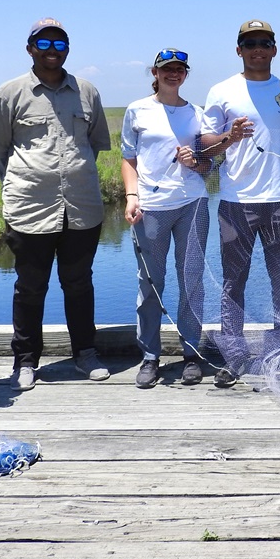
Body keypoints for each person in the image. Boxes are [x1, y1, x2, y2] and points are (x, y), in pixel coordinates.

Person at [0, 18, 112, 391]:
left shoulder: (87, 91)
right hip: (30, 209)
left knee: (79, 283)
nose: (52, 51)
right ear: (30, 48)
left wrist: (71, 176)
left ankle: (85, 354)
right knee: (29, 286)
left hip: (82, 207)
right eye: (44, 44)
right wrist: (28, 181)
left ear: (67, 50)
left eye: (60, 44)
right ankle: (25, 362)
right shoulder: (10, 93)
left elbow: (94, 146)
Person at [199, 20, 280, 387]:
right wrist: (229, 137)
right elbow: (205, 144)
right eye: (249, 43)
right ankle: (234, 357)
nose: (257, 49)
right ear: (238, 49)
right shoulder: (222, 91)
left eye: (264, 42)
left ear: (274, 49)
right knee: (234, 282)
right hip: (234, 202)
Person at [121, 48, 214, 390]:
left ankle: (191, 353)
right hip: (151, 207)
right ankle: (150, 357)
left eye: (179, 70)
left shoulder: (197, 114)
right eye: (166, 70)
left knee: (191, 280)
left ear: (186, 74)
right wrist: (132, 197)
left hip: (192, 203)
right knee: (150, 284)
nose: (173, 75)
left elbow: (209, 167)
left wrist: (195, 162)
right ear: (155, 73)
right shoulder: (138, 110)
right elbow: (128, 159)